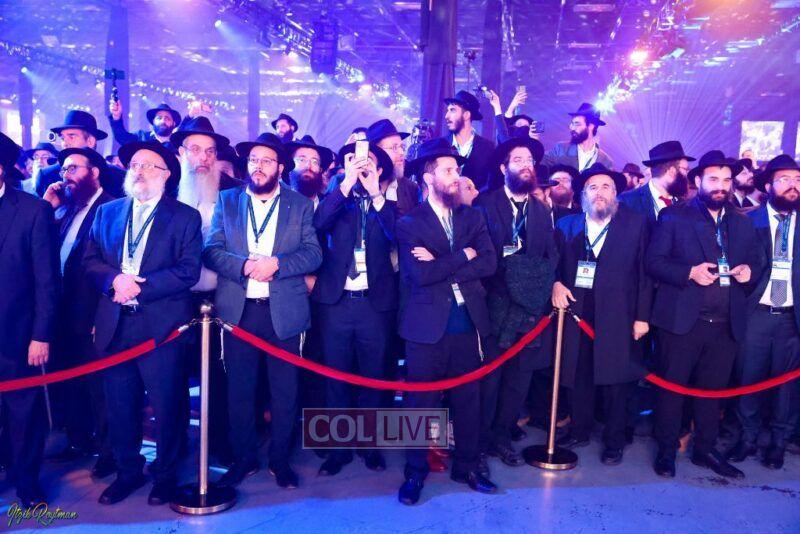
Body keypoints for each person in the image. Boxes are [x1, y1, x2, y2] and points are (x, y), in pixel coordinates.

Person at [83, 140, 202, 505]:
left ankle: (165, 475)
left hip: (161, 327)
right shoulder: (108, 212)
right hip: (116, 324)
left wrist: (139, 286)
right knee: (120, 405)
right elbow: (90, 260)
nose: (139, 171)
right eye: (135, 164)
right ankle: (128, 472)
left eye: (149, 166)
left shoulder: (184, 217)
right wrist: (113, 281)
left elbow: (188, 271)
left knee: (168, 406)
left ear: (166, 175)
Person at [203, 132, 322, 489]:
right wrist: (243, 266)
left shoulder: (299, 204)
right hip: (238, 312)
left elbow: (313, 253)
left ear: (281, 168)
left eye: (267, 160)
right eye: (254, 159)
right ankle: (244, 458)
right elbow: (211, 250)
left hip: (284, 312)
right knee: (240, 390)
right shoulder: (228, 201)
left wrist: (277, 264)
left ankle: (280, 460)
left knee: (285, 391)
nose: (258, 166)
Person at [646, 150, 762, 479]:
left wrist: (748, 272)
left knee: (712, 393)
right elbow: (653, 262)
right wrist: (689, 273)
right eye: (713, 179)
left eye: (726, 180)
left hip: (725, 325)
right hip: (683, 322)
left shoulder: (742, 222)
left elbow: (756, 263)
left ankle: (705, 450)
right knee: (671, 391)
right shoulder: (674, 216)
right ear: (697, 181)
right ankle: (666, 450)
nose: (721, 186)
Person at [395, 137, 498, 505]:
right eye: (449, 170)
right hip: (425, 329)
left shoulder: (473, 216)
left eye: (458, 169)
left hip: (468, 325)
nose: (457, 176)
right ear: (429, 177)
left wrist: (444, 262)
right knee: (419, 405)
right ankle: (414, 472)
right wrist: (463, 256)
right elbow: (419, 276)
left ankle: (468, 466)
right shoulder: (409, 223)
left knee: (468, 400)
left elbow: (489, 263)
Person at [552, 163, 651, 465]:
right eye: (593, 187)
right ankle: (579, 430)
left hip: (620, 314)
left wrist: (642, 317)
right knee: (578, 373)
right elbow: (553, 265)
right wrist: (555, 283)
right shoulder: (566, 225)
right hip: (576, 312)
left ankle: (614, 440)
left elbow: (645, 274)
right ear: (583, 194)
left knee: (616, 380)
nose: (599, 192)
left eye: (606, 186)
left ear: (616, 193)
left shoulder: (636, 224)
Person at [312, 141, 397, 476]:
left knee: (373, 377)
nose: (360, 165)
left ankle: (369, 445)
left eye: (367, 161)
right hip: (337, 303)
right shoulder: (337, 200)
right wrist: (346, 182)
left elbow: (398, 235)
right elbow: (319, 224)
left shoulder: (388, 203)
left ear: (380, 169)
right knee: (336, 377)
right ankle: (338, 449)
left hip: (375, 306)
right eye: (353, 160)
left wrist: (376, 193)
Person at [474, 136, 557, 473]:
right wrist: (513, 278)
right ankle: (479, 441)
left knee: (518, 380)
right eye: (518, 160)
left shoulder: (541, 210)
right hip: (494, 306)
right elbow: (481, 258)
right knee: (489, 379)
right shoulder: (484, 204)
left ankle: (501, 436)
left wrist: (534, 286)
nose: (526, 165)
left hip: (529, 310)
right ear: (503, 167)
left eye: (529, 161)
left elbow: (549, 256)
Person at [42, 147, 116, 477]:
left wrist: (103, 315)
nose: (66, 176)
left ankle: (109, 451)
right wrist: (47, 208)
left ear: (94, 172)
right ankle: (78, 439)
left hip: (92, 314)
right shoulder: (67, 209)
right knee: (70, 381)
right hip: (62, 313)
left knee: (100, 387)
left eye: (73, 168)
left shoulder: (111, 208)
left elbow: (112, 265)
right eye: (63, 170)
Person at [728, 154, 800, 470]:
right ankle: (747, 438)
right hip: (755, 313)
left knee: (787, 385)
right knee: (749, 377)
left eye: (797, 180)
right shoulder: (746, 220)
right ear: (768, 186)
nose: (793, 186)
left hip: (792, 318)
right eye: (784, 180)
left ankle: (779, 442)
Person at [0, 132, 59, 507]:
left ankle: (27, 483)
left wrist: (41, 334)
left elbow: (47, 279)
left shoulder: (33, 210)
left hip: (17, 335)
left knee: (23, 412)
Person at [37, 110, 126, 198]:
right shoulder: (47, 176)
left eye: (71, 136)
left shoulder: (118, 177)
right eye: (63, 138)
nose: (65, 143)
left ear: (90, 141)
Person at [619, 141, 694, 229]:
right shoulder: (626, 202)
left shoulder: (686, 205)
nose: (687, 174)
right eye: (685, 169)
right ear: (672, 171)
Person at [367, 119, 420, 217]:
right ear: (375, 153)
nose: (401, 153)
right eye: (394, 148)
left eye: (402, 147)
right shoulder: (356, 186)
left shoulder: (411, 189)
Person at [444, 90, 496, 190]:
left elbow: (491, 185)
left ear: (466, 115)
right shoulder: (440, 145)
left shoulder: (488, 148)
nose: (446, 116)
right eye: (448, 110)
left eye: (452, 110)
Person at [542, 103, 613, 172]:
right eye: (572, 124)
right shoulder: (561, 149)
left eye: (577, 124)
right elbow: (540, 162)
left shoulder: (605, 160)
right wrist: (536, 141)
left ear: (591, 126)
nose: (571, 128)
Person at [285, 135, 336, 209]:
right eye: (302, 160)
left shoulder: (330, 207)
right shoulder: (276, 206)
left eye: (314, 162)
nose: (308, 166)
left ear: (320, 169)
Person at [108, 101, 181, 149]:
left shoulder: (178, 144)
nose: (163, 121)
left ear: (174, 123)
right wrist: (117, 117)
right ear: (153, 121)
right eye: (159, 118)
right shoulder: (141, 137)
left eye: (167, 118)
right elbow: (122, 137)